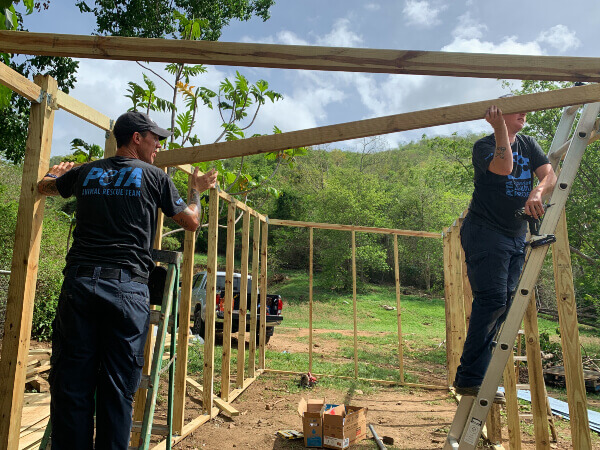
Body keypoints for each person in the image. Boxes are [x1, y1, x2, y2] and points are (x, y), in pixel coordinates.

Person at [37, 111, 218, 449]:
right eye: (155, 138)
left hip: (79, 286)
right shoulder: (155, 177)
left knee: (72, 386)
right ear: (137, 138)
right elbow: (191, 222)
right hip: (125, 289)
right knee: (117, 388)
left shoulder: (86, 172)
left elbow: (44, 187)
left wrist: (54, 171)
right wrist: (195, 191)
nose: (159, 146)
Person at [453, 102, 556, 400]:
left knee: (505, 304)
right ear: (499, 115)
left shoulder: (529, 143)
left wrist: (537, 192)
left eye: (526, 109)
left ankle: (477, 376)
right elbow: (503, 168)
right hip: (485, 231)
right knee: (492, 300)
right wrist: (500, 130)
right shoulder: (483, 145)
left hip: (514, 234)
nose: (525, 113)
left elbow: (549, 174)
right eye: (517, 110)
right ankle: (470, 379)